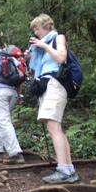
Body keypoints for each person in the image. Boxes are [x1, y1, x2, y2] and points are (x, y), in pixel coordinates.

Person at [24, 14, 79, 183]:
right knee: (56, 128)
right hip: (46, 85)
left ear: (47, 26)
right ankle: (69, 169)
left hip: (56, 84)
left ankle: (63, 170)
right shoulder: (42, 46)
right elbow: (40, 67)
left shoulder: (57, 38)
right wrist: (30, 58)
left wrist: (43, 45)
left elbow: (61, 58)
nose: (36, 33)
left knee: (53, 127)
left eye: (38, 29)